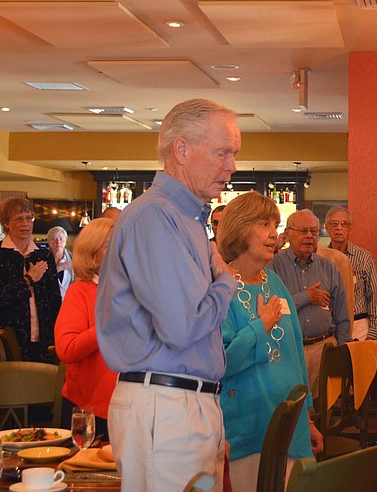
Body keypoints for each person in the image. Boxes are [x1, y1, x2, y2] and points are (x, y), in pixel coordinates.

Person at [96, 98, 240, 492]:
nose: (232, 166)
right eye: (222, 152)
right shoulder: (155, 216)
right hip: (165, 402)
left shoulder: (187, 218)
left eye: (234, 154)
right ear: (181, 149)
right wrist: (227, 281)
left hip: (183, 403)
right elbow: (181, 327)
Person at [216, 192, 323, 491]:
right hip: (248, 430)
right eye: (264, 224)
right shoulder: (220, 289)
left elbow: (295, 355)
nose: (274, 234)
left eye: (275, 225)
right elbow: (221, 363)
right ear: (239, 228)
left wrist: (308, 419)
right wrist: (259, 327)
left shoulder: (274, 283)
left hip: (291, 426)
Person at [267, 209, 350, 398]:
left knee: (326, 407)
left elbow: (342, 316)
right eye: (303, 231)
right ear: (287, 233)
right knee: (293, 407)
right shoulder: (273, 266)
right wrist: (306, 297)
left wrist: (342, 353)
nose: (309, 236)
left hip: (324, 348)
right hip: (289, 349)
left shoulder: (329, 268)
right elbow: (276, 308)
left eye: (314, 231)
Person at [54, 218, 117, 440]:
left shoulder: (132, 293)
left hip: (129, 406)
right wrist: (108, 324)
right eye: (110, 245)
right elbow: (67, 349)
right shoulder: (79, 292)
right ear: (92, 254)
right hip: (89, 409)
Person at [0, 196, 62, 362]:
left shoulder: (44, 255)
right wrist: (28, 280)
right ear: (6, 223)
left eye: (28, 218)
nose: (25, 224)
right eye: (18, 219)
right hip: (6, 338)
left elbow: (54, 300)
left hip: (43, 340)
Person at [325, 206, 377, 340]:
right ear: (327, 228)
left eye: (344, 224)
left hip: (359, 327)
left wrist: (372, 337)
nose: (339, 228)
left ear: (350, 229)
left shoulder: (364, 258)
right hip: (329, 328)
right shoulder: (321, 258)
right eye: (334, 224)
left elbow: (375, 301)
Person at [47, 226, 73, 300]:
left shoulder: (73, 258)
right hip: (49, 303)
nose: (58, 242)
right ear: (49, 242)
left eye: (61, 239)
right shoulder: (43, 258)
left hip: (69, 302)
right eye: (54, 239)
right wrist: (59, 267)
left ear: (65, 241)